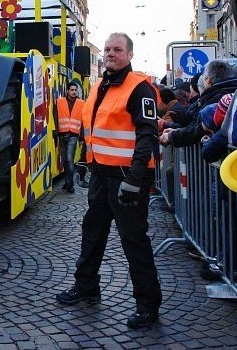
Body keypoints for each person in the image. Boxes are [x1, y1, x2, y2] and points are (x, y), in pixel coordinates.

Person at [56, 33, 162, 329]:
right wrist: (80, 162)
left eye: (117, 49)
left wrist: (136, 178)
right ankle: (87, 286)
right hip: (101, 175)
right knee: (92, 232)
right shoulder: (98, 86)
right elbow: (91, 129)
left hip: (128, 178)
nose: (111, 53)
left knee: (134, 240)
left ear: (129, 55)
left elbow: (147, 134)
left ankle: (148, 305)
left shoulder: (139, 88)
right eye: (107, 49)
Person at [56, 82, 85, 192]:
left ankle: (70, 185)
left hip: (73, 135)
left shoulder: (81, 103)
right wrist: (55, 131)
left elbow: (83, 121)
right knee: (65, 160)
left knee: (69, 159)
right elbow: (55, 115)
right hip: (62, 134)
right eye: (72, 90)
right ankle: (67, 182)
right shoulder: (59, 102)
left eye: (75, 90)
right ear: (67, 91)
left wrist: (81, 137)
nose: (74, 92)